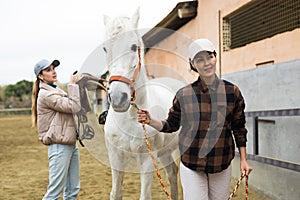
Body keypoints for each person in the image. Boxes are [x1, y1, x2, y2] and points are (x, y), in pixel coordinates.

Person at [137, 38, 252, 200]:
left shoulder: (232, 92)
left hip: (221, 162)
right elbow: (171, 124)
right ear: (193, 64)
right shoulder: (184, 95)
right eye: (200, 60)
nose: (206, 63)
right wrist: (151, 121)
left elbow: (239, 128)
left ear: (215, 57)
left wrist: (244, 160)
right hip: (192, 162)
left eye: (209, 57)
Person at [31, 59, 81, 200]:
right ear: (40, 76)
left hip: (69, 143)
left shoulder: (55, 90)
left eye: (53, 68)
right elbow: (73, 106)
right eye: (48, 70)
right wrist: (72, 85)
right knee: (54, 193)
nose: (53, 71)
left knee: (72, 190)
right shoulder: (47, 94)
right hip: (59, 146)